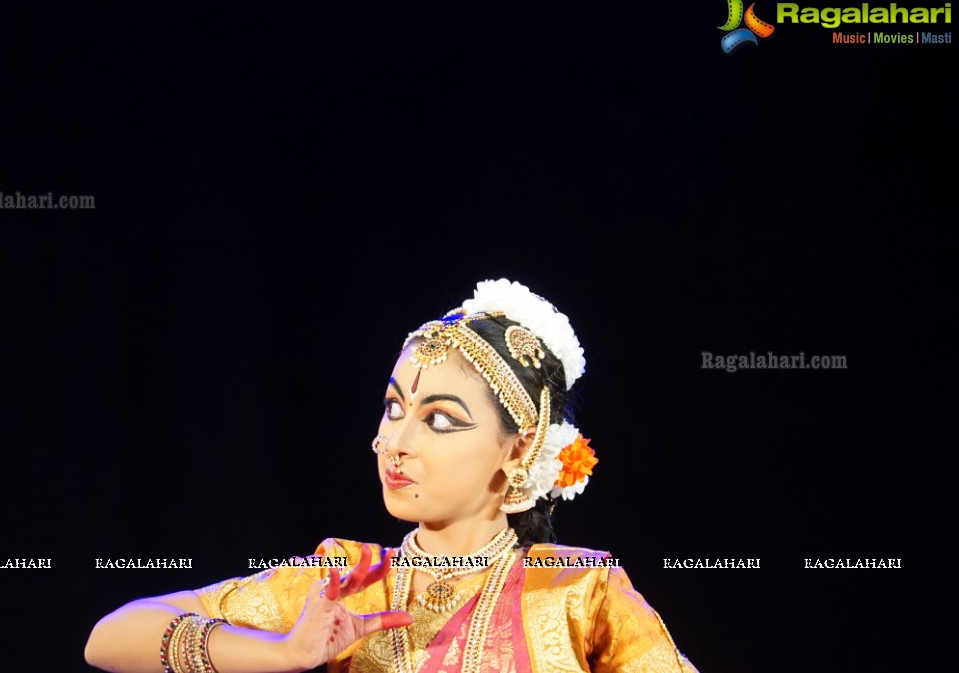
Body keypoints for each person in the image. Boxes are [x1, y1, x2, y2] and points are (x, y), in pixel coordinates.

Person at [85, 278, 698, 673]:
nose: (392, 441)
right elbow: (112, 637)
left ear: (519, 450)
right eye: (394, 407)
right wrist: (284, 651)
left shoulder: (577, 590)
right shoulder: (346, 581)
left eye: (439, 420)